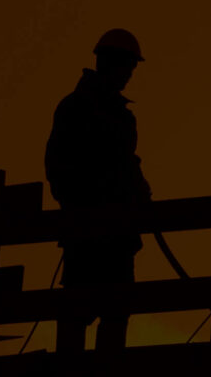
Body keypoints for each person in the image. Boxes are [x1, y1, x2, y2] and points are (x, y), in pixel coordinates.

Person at [45, 28, 151, 352]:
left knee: (115, 313)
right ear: (109, 63)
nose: (128, 76)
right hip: (87, 235)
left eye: (131, 69)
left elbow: (126, 165)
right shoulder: (76, 109)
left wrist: (139, 193)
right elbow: (59, 168)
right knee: (78, 315)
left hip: (118, 237)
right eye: (126, 67)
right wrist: (85, 208)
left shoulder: (120, 117)